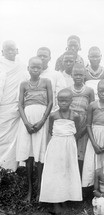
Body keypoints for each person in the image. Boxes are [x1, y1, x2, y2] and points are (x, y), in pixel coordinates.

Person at [39, 89, 82, 214]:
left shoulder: (75, 116)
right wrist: (59, 140)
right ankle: (55, 202)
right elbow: (50, 131)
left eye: (66, 100)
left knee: (67, 171)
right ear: (57, 100)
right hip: (56, 145)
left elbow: (77, 131)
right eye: (60, 100)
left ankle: (64, 199)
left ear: (71, 101)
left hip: (69, 145)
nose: (63, 103)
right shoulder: (53, 115)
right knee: (55, 172)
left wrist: (69, 141)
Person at [16, 57, 53, 202]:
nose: (35, 70)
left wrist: (42, 121)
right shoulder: (24, 84)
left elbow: (50, 102)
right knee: (29, 155)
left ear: (42, 69)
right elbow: (19, 104)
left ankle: (39, 192)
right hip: (27, 121)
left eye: (38, 67)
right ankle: (30, 191)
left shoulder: (46, 82)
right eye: (33, 67)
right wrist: (26, 123)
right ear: (28, 68)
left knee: (39, 155)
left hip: (41, 121)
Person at [82, 80, 104, 188]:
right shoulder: (92, 105)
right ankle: (91, 188)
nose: (103, 94)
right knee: (92, 162)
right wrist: (94, 143)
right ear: (97, 92)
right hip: (95, 137)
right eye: (100, 91)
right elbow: (88, 125)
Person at [0, 40, 27, 171]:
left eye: (13, 49)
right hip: (3, 108)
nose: (11, 52)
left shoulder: (21, 66)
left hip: (15, 109)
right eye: (8, 49)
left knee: (13, 140)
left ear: (17, 50)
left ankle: (9, 170)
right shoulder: (1, 65)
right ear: (2, 52)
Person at [68, 63, 95, 176]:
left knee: (81, 153)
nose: (78, 77)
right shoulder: (67, 90)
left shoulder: (89, 91)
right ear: (72, 75)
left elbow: (92, 109)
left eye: (80, 75)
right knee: (70, 152)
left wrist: (83, 130)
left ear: (84, 75)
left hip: (84, 125)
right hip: (70, 124)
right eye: (76, 75)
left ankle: (81, 184)